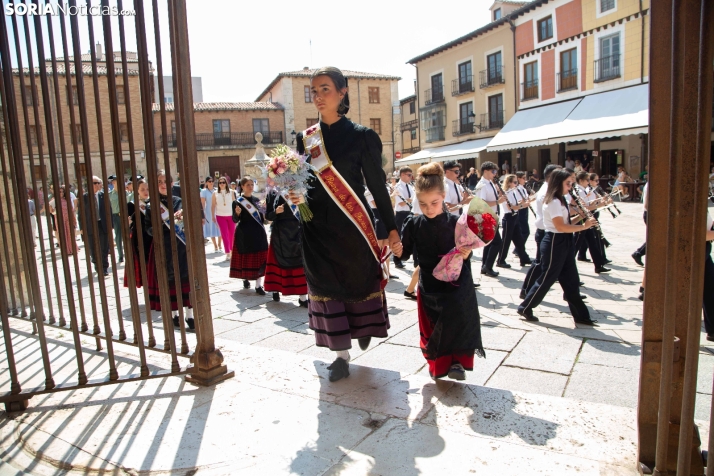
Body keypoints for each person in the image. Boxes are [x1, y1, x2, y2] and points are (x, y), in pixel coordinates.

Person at [291, 66, 400, 383]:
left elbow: (378, 187)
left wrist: (390, 228)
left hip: (353, 227)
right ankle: (340, 355)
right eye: (314, 91)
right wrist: (291, 192)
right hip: (316, 231)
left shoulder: (363, 137)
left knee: (357, 283)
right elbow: (300, 182)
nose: (318, 96)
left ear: (342, 92)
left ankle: (363, 329)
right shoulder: (307, 139)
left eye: (325, 89)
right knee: (325, 288)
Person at [395, 162, 484, 380]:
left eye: (434, 202)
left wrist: (466, 254)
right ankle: (438, 364)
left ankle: (457, 365)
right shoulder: (413, 224)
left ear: (443, 196)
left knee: (458, 322)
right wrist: (396, 249)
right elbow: (404, 255)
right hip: (429, 285)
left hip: (456, 283)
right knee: (433, 327)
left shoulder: (457, 222)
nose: (428, 208)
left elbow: (468, 252)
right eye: (423, 203)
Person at [517, 169, 598, 324]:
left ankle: (581, 316)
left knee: (571, 279)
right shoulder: (553, 201)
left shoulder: (560, 199)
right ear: (558, 183)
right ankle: (525, 307)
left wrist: (580, 217)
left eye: (571, 183)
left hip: (563, 240)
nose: (570, 186)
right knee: (547, 278)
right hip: (555, 241)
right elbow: (560, 227)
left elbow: (566, 223)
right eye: (567, 183)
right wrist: (584, 227)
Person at [144, 170, 194, 330]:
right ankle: (174, 315)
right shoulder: (151, 205)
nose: (163, 184)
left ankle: (190, 315)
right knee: (170, 281)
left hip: (181, 246)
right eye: (159, 181)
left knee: (186, 279)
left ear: (172, 183)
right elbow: (148, 229)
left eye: (166, 181)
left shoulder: (179, 201)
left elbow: (185, 222)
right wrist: (159, 228)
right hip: (163, 248)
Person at [520, 164, 561, 299]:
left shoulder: (550, 189)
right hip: (545, 231)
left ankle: (571, 292)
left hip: (551, 231)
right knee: (539, 263)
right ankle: (526, 290)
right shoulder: (546, 192)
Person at [263, 190, 309, 306]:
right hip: (280, 232)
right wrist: (276, 212)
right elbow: (268, 216)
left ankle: (303, 297)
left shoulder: (299, 189)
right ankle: (275, 289)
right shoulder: (273, 193)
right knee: (278, 261)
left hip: (297, 230)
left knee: (300, 262)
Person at [229, 177, 268, 295]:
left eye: (252, 184)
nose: (250, 187)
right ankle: (245, 278)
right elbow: (235, 220)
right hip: (244, 233)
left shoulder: (257, 200)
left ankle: (258, 285)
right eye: (248, 185)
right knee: (246, 258)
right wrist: (236, 213)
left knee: (260, 258)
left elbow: (263, 219)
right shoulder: (237, 201)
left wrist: (264, 211)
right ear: (242, 186)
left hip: (258, 233)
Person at [573, 172, 610, 273]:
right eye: (587, 180)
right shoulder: (578, 191)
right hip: (582, 219)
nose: (589, 182)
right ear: (581, 181)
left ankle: (598, 265)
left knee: (593, 242)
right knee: (576, 243)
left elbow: (590, 204)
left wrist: (598, 202)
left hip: (588, 218)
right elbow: (583, 208)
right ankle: (566, 264)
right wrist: (598, 205)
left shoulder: (586, 190)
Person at [476, 161, 506, 278]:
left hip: (493, 216)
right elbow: (481, 202)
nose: (495, 174)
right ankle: (488, 266)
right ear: (485, 171)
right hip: (486, 217)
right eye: (493, 171)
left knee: (489, 243)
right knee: (497, 242)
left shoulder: (490, 183)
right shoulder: (482, 185)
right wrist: (498, 201)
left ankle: (485, 266)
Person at [496, 174, 531, 268]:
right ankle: (500, 260)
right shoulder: (506, 193)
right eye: (515, 182)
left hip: (515, 217)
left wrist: (523, 202)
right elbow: (511, 207)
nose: (516, 184)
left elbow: (516, 203)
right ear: (509, 183)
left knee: (519, 240)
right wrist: (523, 206)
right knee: (506, 241)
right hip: (508, 218)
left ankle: (524, 258)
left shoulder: (513, 191)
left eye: (517, 182)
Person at [123, 178, 151, 289]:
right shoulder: (131, 205)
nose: (146, 192)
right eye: (142, 189)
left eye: (147, 189)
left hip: (151, 237)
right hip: (138, 238)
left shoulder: (153, 203)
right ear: (137, 190)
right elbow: (128, 223)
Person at [365, 185, 395, 279]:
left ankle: (388, 272)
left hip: (384, 218)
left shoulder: (383, 189)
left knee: (387, 246)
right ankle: (377, 271)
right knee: (378, 246)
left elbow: (391, 205)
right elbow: (378, 204)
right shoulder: (368, 190)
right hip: (376, 217)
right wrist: (391, 196)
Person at [83, 176, 110, 276]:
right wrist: (82, 228)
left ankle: (104, 267)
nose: (98, 185)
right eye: (95, 183)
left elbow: (109, 210)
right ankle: (97, 265)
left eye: (99, 183)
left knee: (104, 247)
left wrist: (110, 225)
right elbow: (81, 214)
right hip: (91, 225)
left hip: (102, 224)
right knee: (93, 247)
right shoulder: (84, 197)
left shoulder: (104, 196)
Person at [392, 166, 414, 269]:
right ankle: (397, 260)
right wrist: (410, 200)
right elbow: (400, 203)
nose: (410, 177)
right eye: (409, 175)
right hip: (401, 214)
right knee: (399, 237)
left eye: (411, 175)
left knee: (410, 236)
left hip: (410, 212)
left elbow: (413, 199)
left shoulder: (410, 186)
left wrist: (410, 200)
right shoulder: (397, 187)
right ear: (402, 175)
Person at [213, 177, 237, 260]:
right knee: (224, 234)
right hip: (220, 216)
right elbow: (213, 206)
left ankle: (232, 251)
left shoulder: (231, 192)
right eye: (220, 183)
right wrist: (212, 216)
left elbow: (235, 204)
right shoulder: (215, 193)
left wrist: (237, 215)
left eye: (223, 182)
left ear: (226, 183)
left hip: (231, 215)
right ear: (218, 184)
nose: (222, 184)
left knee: (232, 234)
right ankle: (227, 252)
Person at [54, 185, 78, 255]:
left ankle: (72, 249)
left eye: (62, 192)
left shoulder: (67, 200)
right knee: (63, 235)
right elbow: (51, 210)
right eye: (59, 192)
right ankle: (66, 250)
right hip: (60, 220)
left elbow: (71, 210)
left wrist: (73, 220)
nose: (61, 193)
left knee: (70, 235)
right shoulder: (55, 201)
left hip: (68, 219)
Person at [200, 177, 222, 252]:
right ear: (206, 182)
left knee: (220, 227)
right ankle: (215, 246)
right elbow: (203, 203)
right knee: (211, 227)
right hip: (209, 211)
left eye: (212, 181)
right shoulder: (204, 191)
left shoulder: (217, 190)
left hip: (218, 211)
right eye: (209, 181)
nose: (211, 182)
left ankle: (220, 245)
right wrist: (203, 213)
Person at [107, 175, 124, 263]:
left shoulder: (126, 193)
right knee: (118, 236)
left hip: (125, 217)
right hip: (116, 216)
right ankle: (120, 255)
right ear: (113, 183)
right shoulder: (110, 195)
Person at [632, 181, 649, 266]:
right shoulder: (651, 185)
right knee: (656, 237)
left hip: (648, 214)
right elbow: (646, 205)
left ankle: (638, 253)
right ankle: (638, 253)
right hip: (649, 214)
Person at [514, 172, 531, 243]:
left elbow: (526, 199)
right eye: (524, 178)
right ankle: (519, 248)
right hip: (520, 210)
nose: (525, 180)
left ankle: (518, 249)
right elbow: (517, 202)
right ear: (518, 179)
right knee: (525, 232)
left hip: (525, 210)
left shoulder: (523, 188)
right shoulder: (516, 189)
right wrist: (524, 202)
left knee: (523, 231)